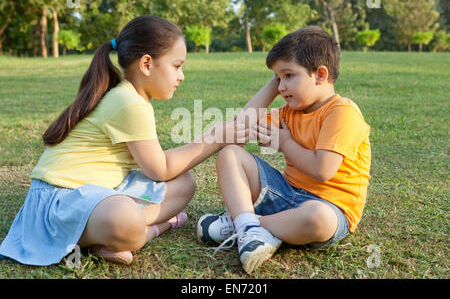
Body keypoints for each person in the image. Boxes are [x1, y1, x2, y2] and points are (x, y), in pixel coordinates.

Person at [0, 15, 244, 266]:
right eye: (177, 66)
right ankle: (151, 229)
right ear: (147, 64)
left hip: (101, 193)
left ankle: (116, 235)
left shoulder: (131, 97)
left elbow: (161, 165)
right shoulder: (128, 102)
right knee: (126, 218)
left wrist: (216, 133)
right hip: (60, 202)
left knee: (184, 183)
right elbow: (159, 169)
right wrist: (217, 138)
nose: (182, 76)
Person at [197, 26, 371, 274]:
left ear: (320, 75)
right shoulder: (288, 112)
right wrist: (275, 82)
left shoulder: (343, 111)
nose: (281, 87)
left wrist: (285, 143)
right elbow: (241, 126)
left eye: (289, 76)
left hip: (330, 208)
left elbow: (323, 170)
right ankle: (253, 229)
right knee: (230, 153)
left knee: (317, 218)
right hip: (285, 196)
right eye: (278, 78)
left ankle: (246, 224)